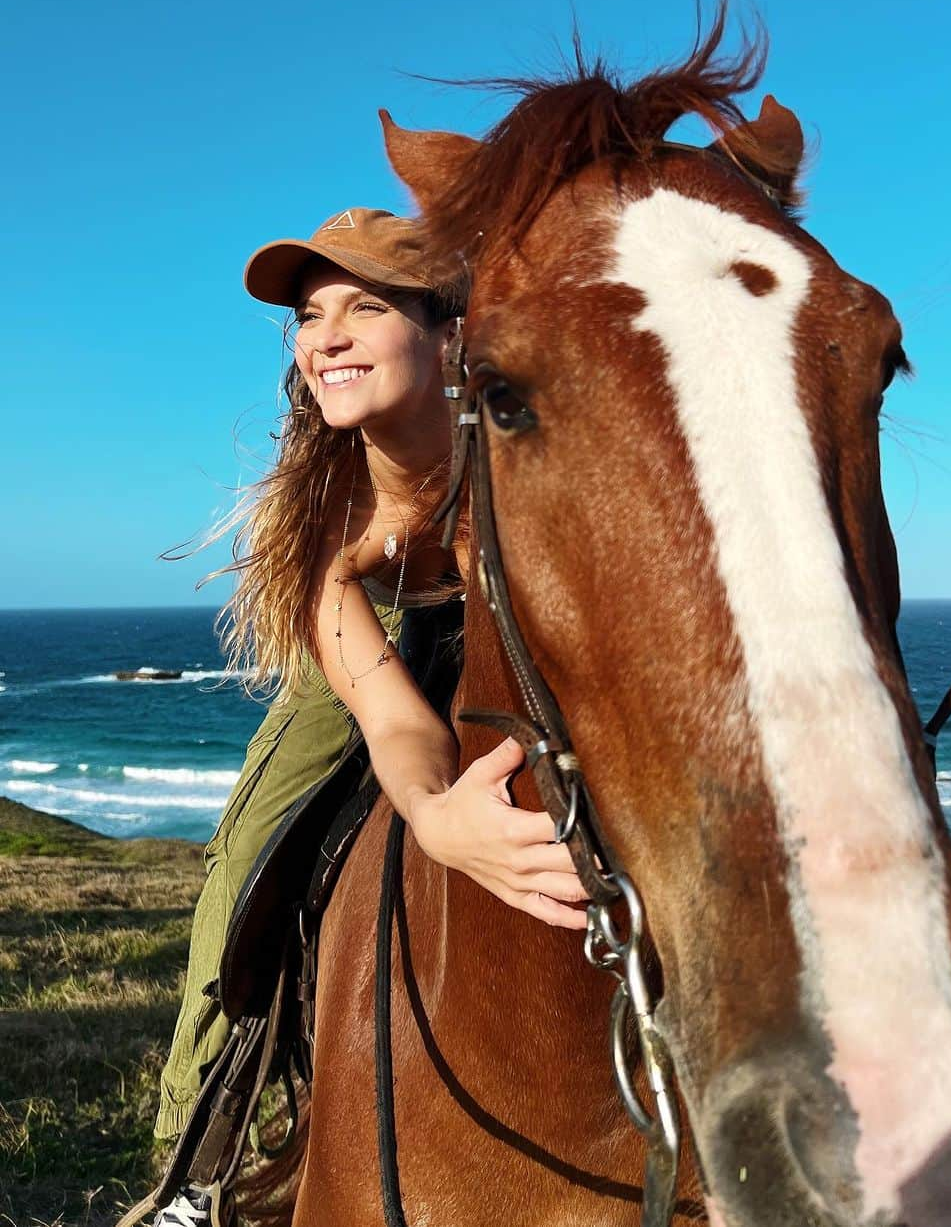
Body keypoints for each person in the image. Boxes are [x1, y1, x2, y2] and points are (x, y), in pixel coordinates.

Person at [152, 209, 588, 1227]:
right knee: (250, 865)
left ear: (448, 334)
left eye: (364, 306)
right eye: (310, 316)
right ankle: (200, 1161)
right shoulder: (318, 515)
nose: (325, 336)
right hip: (355, 682)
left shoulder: (527, 461)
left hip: (497, 648)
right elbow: (394, 720)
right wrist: (438, 818)